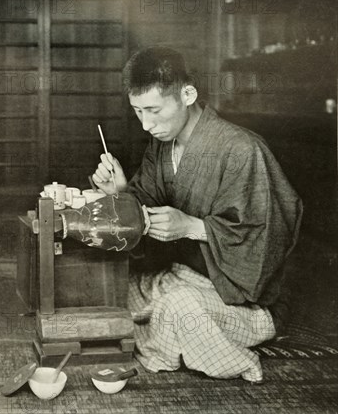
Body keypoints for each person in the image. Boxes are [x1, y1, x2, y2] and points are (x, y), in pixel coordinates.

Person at [91, 47, 302, 382]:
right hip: (184, 278)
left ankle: (237, 360)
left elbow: (268, 238)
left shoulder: (242, 150)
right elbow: (143, 209)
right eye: (138, 112)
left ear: (188, 94)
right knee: (111, 296)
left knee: (178, 309)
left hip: (245, 303)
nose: (147, 124)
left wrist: (192, 226)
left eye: (155, 110)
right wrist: (120, 193)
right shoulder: (161, 147)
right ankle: (180, 339)